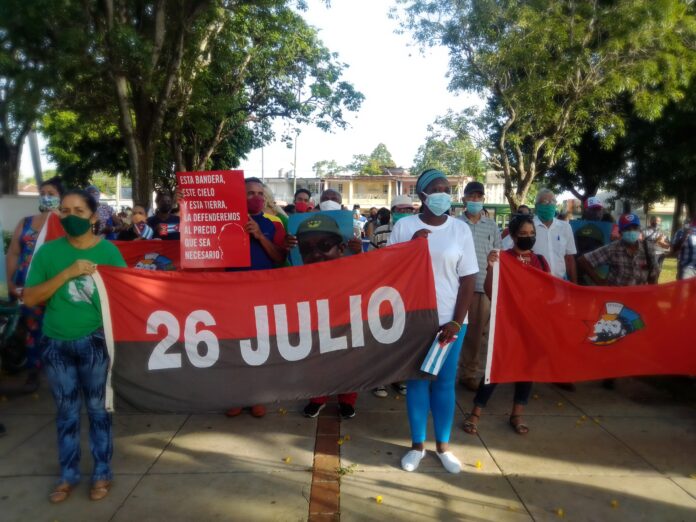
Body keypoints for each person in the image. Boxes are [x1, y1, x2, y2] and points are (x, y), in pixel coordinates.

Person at [23, 189, 127, 503]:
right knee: (66, 413)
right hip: (56, 343)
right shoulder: (48, 254)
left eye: (79, 211)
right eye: (65, 211)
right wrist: (67, 273)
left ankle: (101, 473)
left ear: (93, 217)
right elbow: (30, 297)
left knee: (98, 410)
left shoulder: (108, 253)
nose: (71, 217)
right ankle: (68, 475)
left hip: (94, 342)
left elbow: (127, 295)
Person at [387, 168, 477, 474]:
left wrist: (457, 320)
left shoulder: (460, 230)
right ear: (422, 195)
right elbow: (389, 272)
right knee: (416, 381)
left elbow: (468, 279)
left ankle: (443, 447)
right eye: (436, 188)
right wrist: (412, 244)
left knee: (444, 383)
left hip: (451, 322)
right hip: (415, 319)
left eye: (446, 188)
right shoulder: (404, 226)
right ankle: (416, 447)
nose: (443, 194)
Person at [462, 215, 548, 436]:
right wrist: (491, 267)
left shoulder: (540, 262)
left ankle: (517, 413)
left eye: (532, 234)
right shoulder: (503, 258)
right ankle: (475, 412)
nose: (528, 238)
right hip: (507, 324)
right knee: (495, 367)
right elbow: (491, 291)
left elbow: (546, 293)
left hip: (532, 323)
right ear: (512, 235)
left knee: (526, 369)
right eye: (523, 234)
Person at [225, 177, 287, 418]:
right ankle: (237, 396)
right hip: (232, 293)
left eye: (260, 193)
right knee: (235, 346)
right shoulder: (225, 221)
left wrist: (260, 236)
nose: (257, 198)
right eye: (250, 193)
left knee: (261, 347)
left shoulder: (274, 223)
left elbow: (279, 258)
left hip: (263, 293)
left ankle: (258, 396)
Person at [294, 214, 359, 419]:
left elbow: (372, 276)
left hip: (347, 327)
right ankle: (317, 399)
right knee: (317, 360)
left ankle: (347, 400)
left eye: (324, 245)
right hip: (317, 327)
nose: (316, 254)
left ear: (341, 248)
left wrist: (360, 254)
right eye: (307, 249)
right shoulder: (300, 279)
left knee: (349, 361)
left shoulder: (353, 271)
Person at [6, 176, 65, 389]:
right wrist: (12, 282)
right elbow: (13, 253)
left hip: (54, 287)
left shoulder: (66, 224)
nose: (46, 198)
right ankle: (33, 370)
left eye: (51, 194)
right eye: (42, 194)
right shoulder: (27, 223)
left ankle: (60, 370)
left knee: (53, 330)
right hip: (25, 284)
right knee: (30, 330)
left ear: (61, 197)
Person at [368, 194, 415, 397]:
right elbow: (370, 259)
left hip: (410, 292)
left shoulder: (420, 231)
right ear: (393, 211)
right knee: (383, 337)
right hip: (384, 291)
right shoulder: (379, 233)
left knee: (405, 338)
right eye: (400, 210)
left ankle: (400, 378)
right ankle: (380, 380)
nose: (404, 213)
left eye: (408, 210)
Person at [457, 181, 501, 392]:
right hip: (457, 285)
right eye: (471, 196)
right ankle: (443, 372)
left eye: (478, 197)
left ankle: (469, 373)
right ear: (464, 199)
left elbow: (498, 254)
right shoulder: (455, 223)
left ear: (483, 199)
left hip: (482, 285)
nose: (475, 200)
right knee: (452, 329)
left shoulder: (492, 226)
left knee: (475, 334)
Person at [578, 213, 660, 287]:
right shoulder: (613, 249)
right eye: (627, 229)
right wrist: (600, 282)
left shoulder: (648, 248)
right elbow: (583, 260)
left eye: (635, 228)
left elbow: (654, 275)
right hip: (616, 297)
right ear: (620, 232)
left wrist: (652, 293)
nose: (631, 231)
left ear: (639, 230)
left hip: (639, 295)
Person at [532, 188, 577, 283]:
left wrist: (574, 285)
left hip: (560, 283)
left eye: (552, 201)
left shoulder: (565, 227)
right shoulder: (528, 227)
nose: (549, 204)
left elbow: (569, 258)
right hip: (535, 283)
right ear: (537, 206)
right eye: (545, 202)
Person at [672, 213, 696, 280]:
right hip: (688, 268)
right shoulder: (681, 232)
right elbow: (674, 249)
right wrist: (683, 237)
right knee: (685, 289)